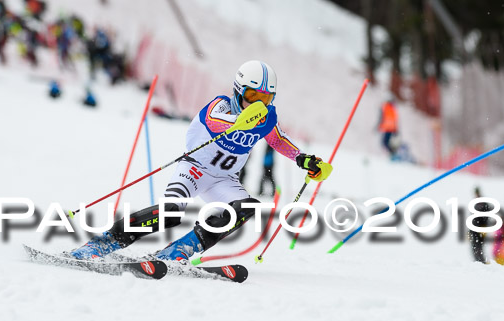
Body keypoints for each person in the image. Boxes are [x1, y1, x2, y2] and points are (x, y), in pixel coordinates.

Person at [70, 60, 332, 261]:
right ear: (239, 91)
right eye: (253, 97)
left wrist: (304, 160)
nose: (258, 106)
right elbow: (214, 122)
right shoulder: (221, 106)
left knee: (245, 207)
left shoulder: (265, 117)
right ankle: (102, 243)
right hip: (193, 171)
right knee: (170, 214)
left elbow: (278, 140)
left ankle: (178, 252)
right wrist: (238, 122)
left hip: (224, 180)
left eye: (265, 99)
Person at [468, 187, 490, 263]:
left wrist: (484, 227)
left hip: (480, 229)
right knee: (474, 247)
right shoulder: (475, 203)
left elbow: (486, 217)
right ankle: (477, 262)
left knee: (478, 247)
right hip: (474, 229)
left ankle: (482, 262)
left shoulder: (483, 203)